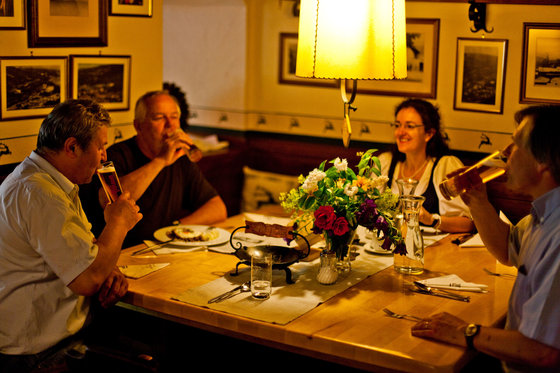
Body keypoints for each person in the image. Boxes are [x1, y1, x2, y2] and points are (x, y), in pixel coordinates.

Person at [411, 105, 560, 372]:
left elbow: (543, 352)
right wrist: (477, 201)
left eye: (515, 144)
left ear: (543, 162)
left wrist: (466, 331)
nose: (505, 155)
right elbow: (507, 248)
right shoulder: (545, 213)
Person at [0, 100, 142, 372]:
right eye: (100, 146)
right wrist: (119, 222)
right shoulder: (39, 194)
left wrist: (107, 268)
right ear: (72, 147)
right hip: (37, 352)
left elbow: (87, 256)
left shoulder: (50, 181)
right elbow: (88, 280)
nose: (104, 156)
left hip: (58, 338)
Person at [84, 90, 227, 247]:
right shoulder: (116, 155)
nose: (170, 125)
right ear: (139, 126)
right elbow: (108, 199)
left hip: (162, 248)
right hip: (122, 252)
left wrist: (176, 228)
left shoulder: (180, 158)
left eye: (174, 117)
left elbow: (218, 208)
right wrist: (160, 161)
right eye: (159, 118)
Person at [378, 98, 474, 233]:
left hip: (433, 249)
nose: (401, 132)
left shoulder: (445, 166)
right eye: (397, 125)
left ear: (429, 134)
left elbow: (468, 223)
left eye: (409, 126)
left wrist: (431, 219)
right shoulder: (385, 163)